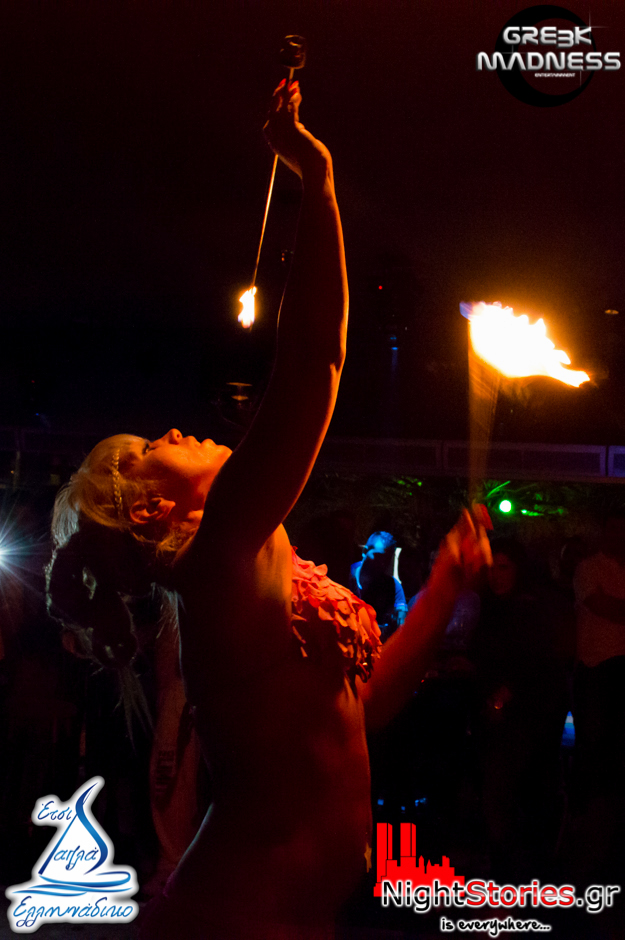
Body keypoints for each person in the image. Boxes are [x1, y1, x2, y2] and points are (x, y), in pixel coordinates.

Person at [46, 81, 489, 939]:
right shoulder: (215, 563)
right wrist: (315, 178)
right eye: (152, 447)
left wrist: (440, 590)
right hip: (236, 919)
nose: (177, 429)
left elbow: (359, 713)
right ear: (150, 510)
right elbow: (315, 362)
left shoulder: (262, 559)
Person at [350, 531, 408, 638]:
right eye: (378, 556)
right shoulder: (345, 575)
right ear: (365, 551)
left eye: (387, 559)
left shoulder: (393, 586)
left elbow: (402, 621)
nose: (382, 564)